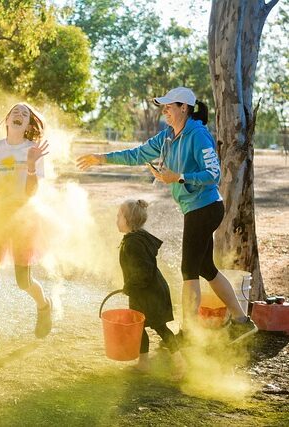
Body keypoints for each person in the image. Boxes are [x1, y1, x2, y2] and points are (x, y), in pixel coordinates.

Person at [77, 87, 257, 344]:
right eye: (163, 106)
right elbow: (137, 154)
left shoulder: (198, 135)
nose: (164, 111)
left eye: (168, 106)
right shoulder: (167, 137)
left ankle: (188, 333)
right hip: (195, 209)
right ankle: (242, 321)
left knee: (189, 271)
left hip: (205, 208)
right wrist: (101, 158)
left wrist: (179, 177)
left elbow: (213, 175)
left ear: (184, 108)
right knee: (206, 268)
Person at [0, 103, 52, 355]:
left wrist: (30, 165)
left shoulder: (32, 150)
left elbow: (31, 193)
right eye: (15, 112)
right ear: (7, 120)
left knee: (22, 280)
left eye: (24, 114)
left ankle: (43, 305)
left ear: (28, 125)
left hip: (22, 220)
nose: (19, 114)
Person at [116, 200, 185, 378]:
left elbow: (144, 271)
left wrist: (129, 286)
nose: (116, 220)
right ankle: (143, 364)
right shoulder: (135, 238)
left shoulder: (134, 243)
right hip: (143, 292)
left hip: (150, 293)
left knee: (161, 327)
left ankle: (181, 365)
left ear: (128, 220)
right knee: (138, 327)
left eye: (119, 216)